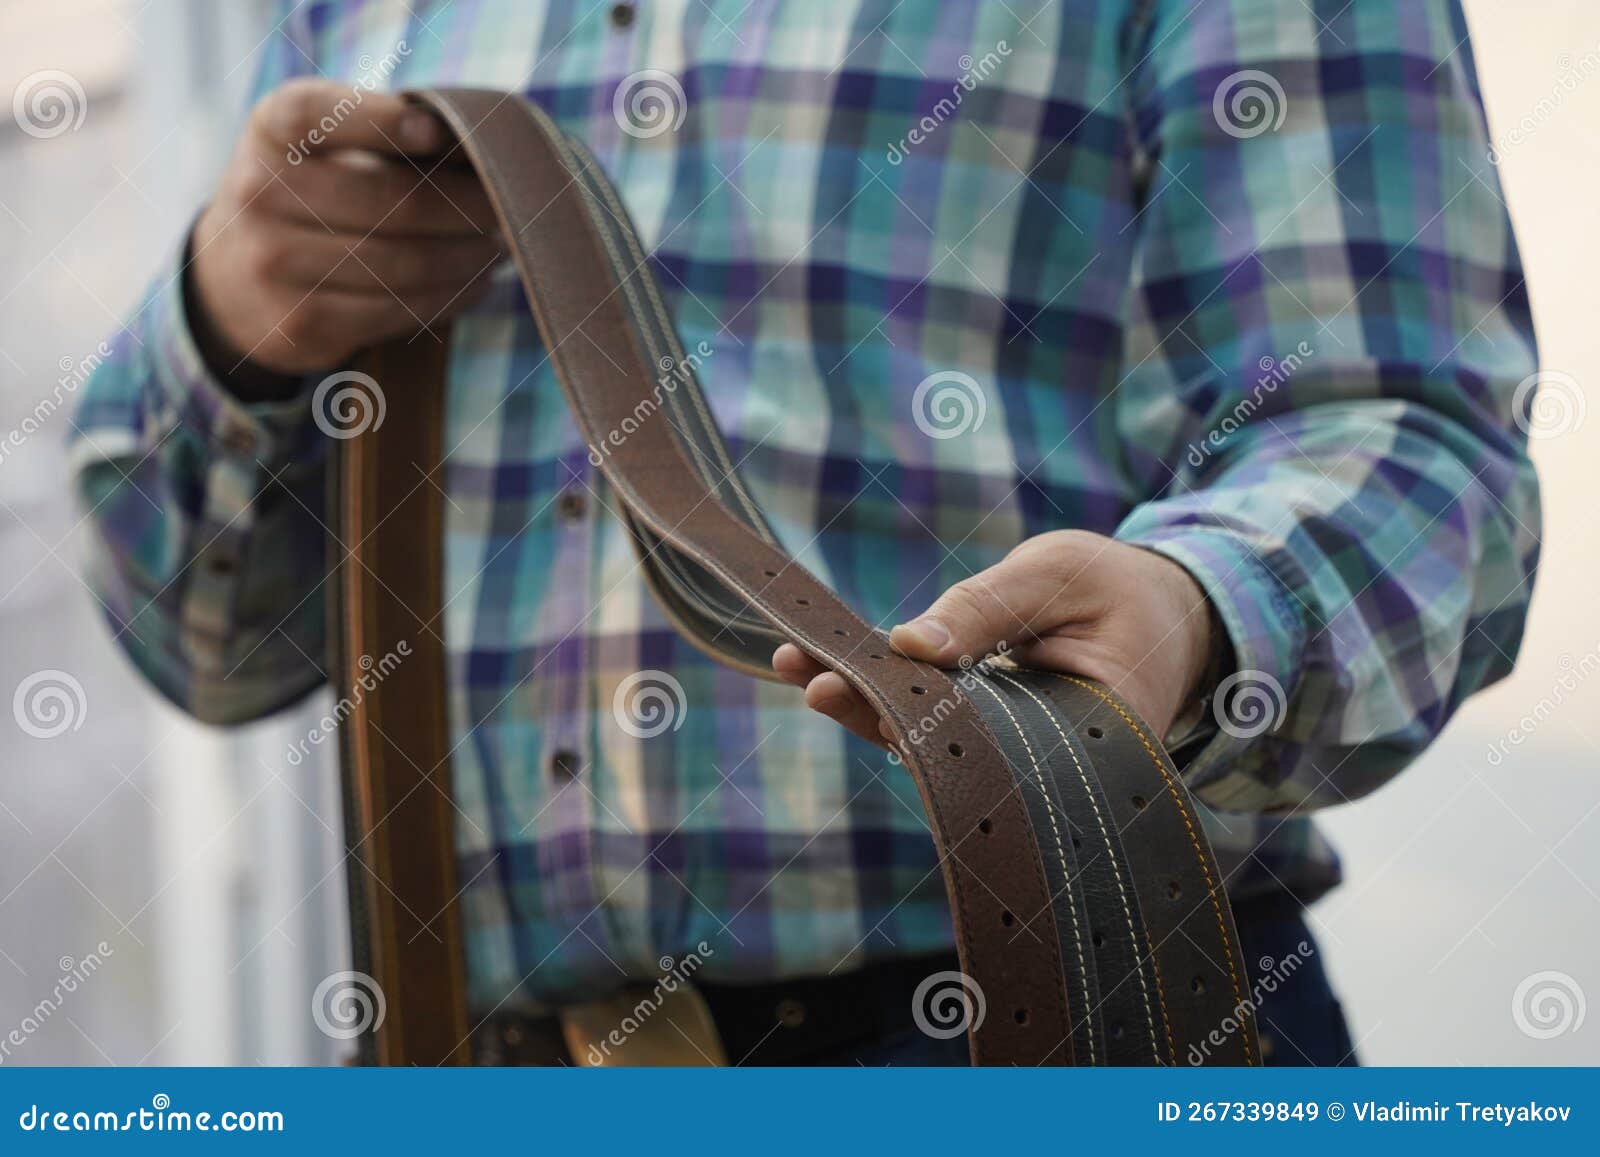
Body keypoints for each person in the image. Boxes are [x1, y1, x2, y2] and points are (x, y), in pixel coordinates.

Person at [71, 0, 1540, 1066]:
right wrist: (232, 332)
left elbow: (1411, 439)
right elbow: (207, 647)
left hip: (1076, 1020)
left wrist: (1196, 610)